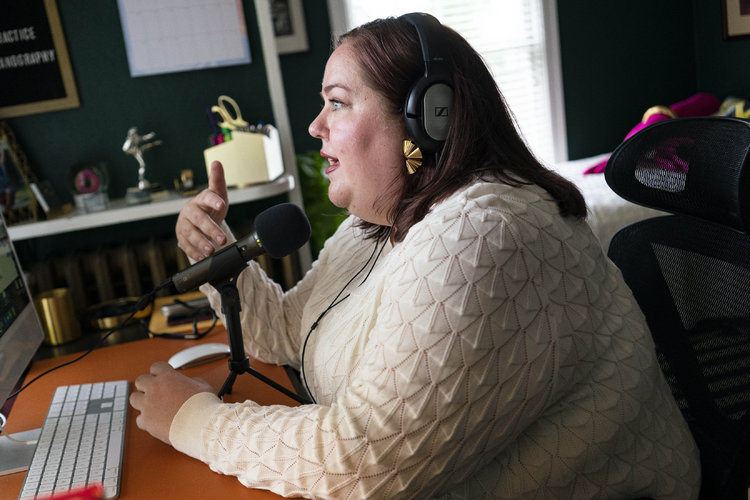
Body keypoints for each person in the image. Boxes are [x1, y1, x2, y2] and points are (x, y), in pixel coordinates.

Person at [130, 13, 701, 499]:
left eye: (337, 103)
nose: (315, 126)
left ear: (429, 119)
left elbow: (366, 461)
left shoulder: (481, 236)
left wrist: (194, 420)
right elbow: (288, 331)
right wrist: (218, 253)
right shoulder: (377, 224)